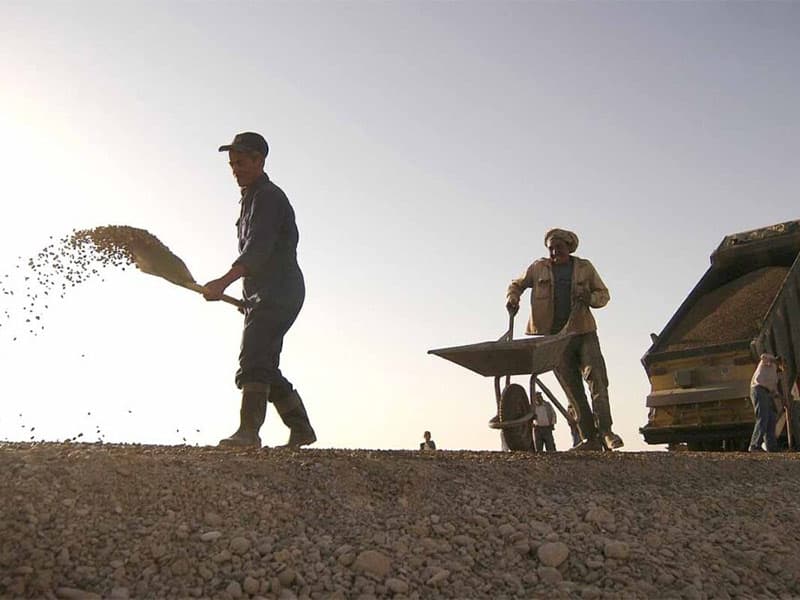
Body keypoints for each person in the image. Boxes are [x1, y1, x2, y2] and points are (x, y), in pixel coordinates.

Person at [204, 132, 316, 449]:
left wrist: (222, 282)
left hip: (280, 290)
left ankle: (248, 432)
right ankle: (301, 428)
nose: (235, 169)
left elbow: (258, 250)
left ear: (259, 161)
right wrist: (247, 298)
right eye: (232, 164)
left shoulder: (269, 197)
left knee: (253, 357)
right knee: (264, 364)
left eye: (241, 162)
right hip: (264, 294)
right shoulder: (250, 199)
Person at [505, 228, 623, 451]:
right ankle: (589, 438)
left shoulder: (584, 268)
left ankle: (606, 431)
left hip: (583, 332)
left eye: (558, 247)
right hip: (555, 339)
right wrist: (513, 298)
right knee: (572, 389)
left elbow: (603, 295)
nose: (554, 252)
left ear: (569, 247)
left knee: (597, 379)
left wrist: (590, 297)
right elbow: (516, 284)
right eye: (550, 248)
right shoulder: (538, 267)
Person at [749, 353, 781, 452]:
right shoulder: (768, 363)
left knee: (771, 418)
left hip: (767, 393)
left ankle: (771, 447)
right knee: (763, 417)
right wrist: (774, 360)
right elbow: (763, 357)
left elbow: (773, 388)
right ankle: (754, 445)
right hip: (759, 389)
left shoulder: (775, 375)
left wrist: (777, 395)